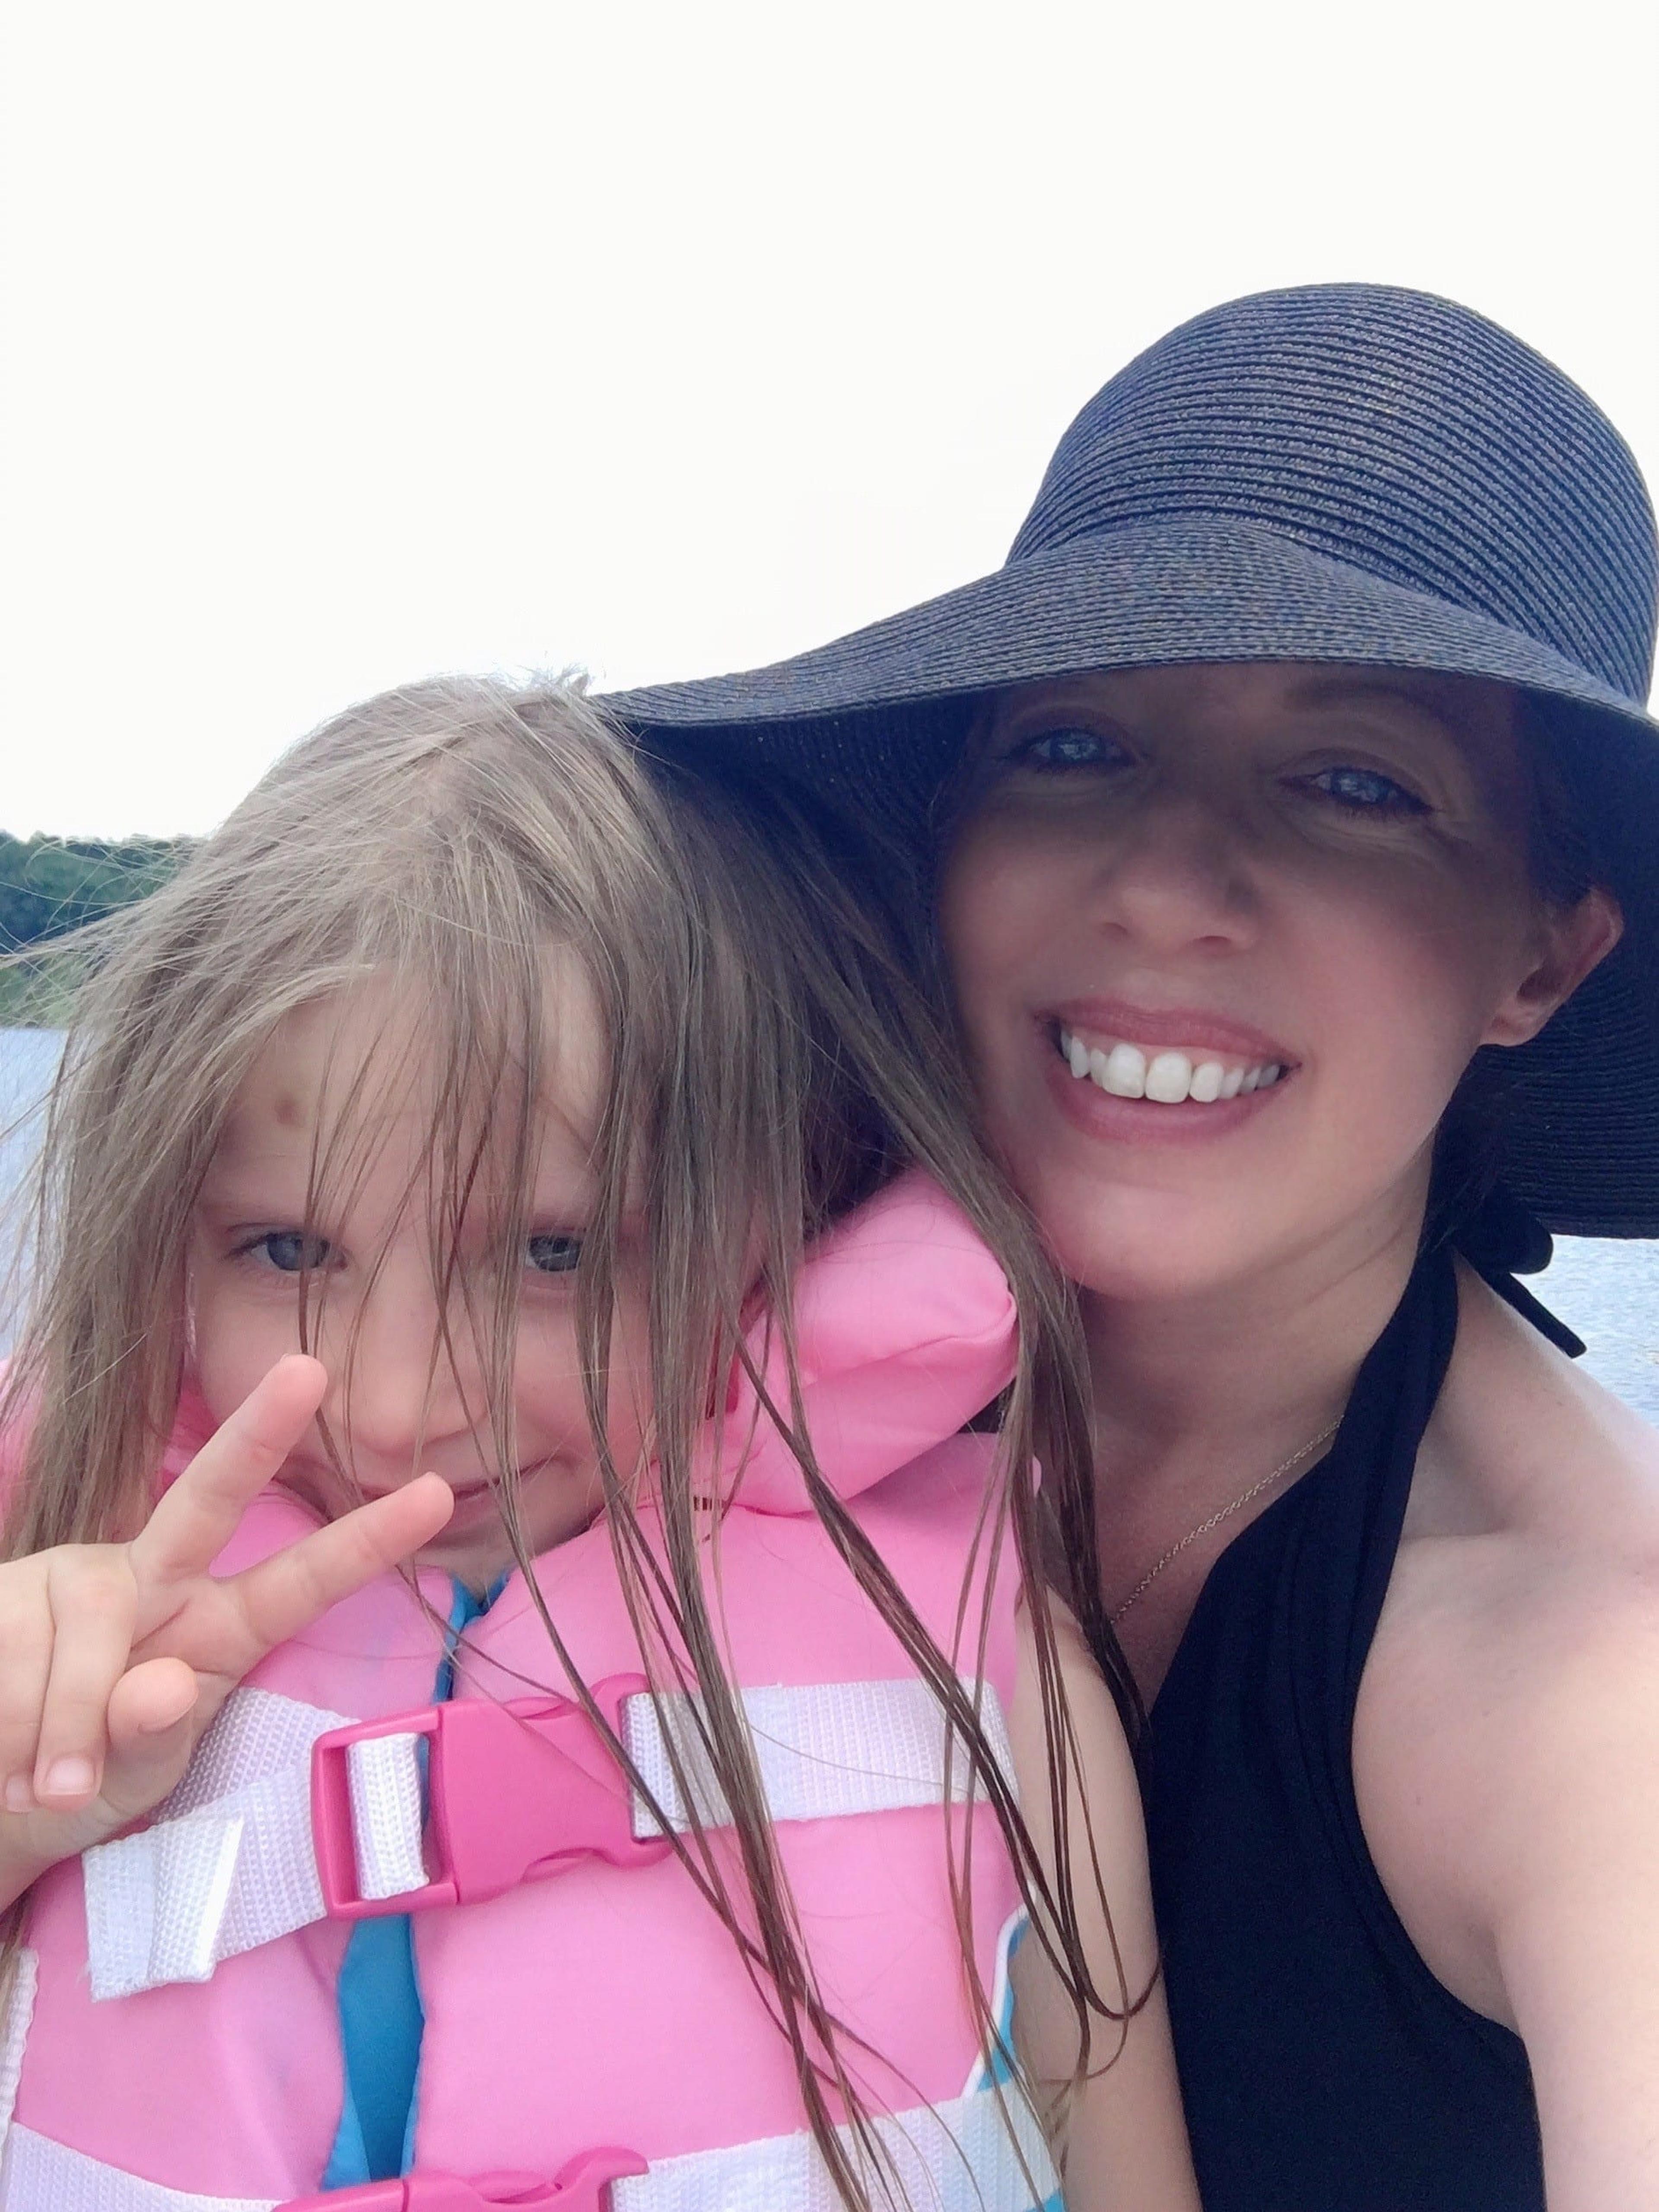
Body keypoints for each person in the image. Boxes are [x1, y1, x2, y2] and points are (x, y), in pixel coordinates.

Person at [610, 283, 1659, 2209]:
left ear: (1542, 949)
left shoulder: (1592, 1690)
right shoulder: (664, 1364)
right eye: (1076, 746)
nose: (1168, 888)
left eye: (1359, 783)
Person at [0, 682, 1201, 2209]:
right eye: (288, 1246)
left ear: (783, 1214)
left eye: (555, 1256)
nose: (389, 1406)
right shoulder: (52, 1608)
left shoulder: (995, 1679)